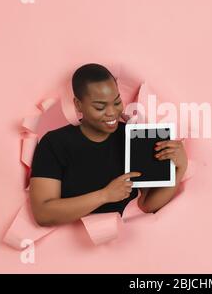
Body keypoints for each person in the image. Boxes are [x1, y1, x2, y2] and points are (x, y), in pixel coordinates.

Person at [29, 63, 188, 227]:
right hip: (68, 245)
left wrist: (180, 167)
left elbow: (147, 204)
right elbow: (43, 213)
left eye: (117, 102)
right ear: (78, 105)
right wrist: (104, 195)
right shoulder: (54, 143)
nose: (112, 112)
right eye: (100, 107)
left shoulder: (133, 136)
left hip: (121, 245)